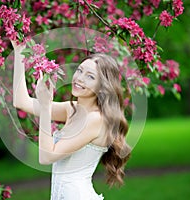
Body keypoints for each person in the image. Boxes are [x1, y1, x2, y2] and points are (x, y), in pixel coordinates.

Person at [12, 41, 131, 200]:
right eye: (79, 70)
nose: (79, 78)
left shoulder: (95, 119)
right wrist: (19, 53)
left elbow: (46, 157)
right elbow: (21, 102)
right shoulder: (72, 109)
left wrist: (46, 106)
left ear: (102, 87)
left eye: (90, 76)